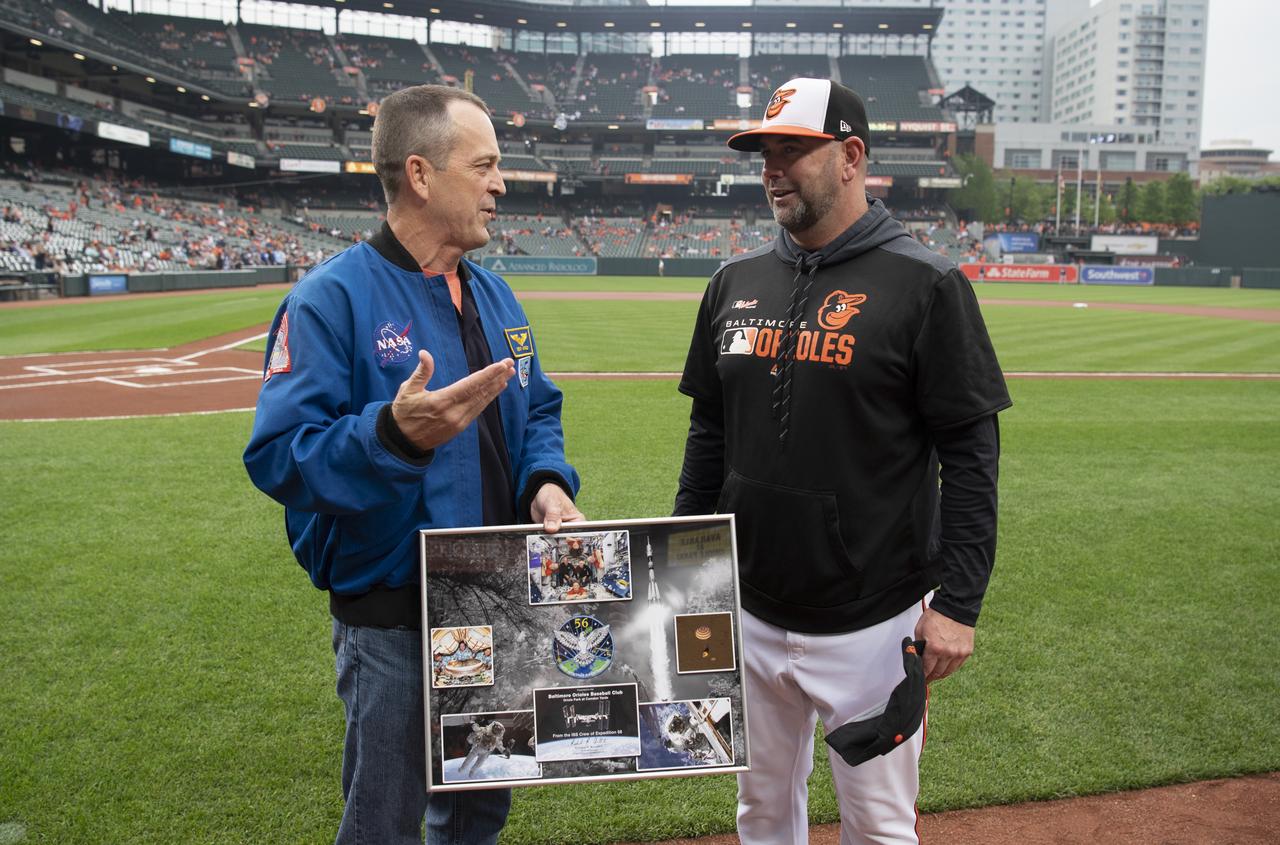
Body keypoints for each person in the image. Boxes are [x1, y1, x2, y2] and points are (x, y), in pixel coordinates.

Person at [673, 78, 1011, 844]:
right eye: (765, 152)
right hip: (749, 610)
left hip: (873, 620)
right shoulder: (734, 282)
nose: (772, 168)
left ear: (852, 155)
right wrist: (682, 566)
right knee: (759, 814)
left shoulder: (926, 283)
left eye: (794, 150)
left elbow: (970, 454)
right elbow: (707, 436)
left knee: (878, 825)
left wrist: (957, 602)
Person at [243, 85, 583, 845]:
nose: (502, 184)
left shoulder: (496, 296)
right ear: (422, 174)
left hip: (495, 604)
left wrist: (547, 482)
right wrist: (391, 435)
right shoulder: (331, 299)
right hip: (393, 615)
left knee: (478, 802)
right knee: (384, 818)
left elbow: (539, 412)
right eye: (486, 165)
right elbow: (279, 454)